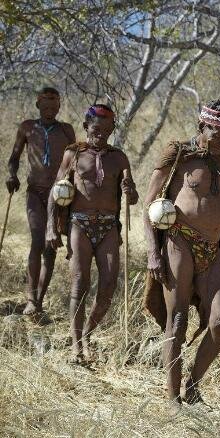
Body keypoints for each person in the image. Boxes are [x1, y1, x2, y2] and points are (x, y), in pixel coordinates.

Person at [142, 99, 220, 405]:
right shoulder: (178, 154)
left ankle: (193, 386)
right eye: (218, 134)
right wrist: (153, 253)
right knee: (177, 321)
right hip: (179, 243)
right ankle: (173, 399)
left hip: (211, 250)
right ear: (202, 126)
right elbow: (149, 205)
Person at [46, 104, 138, 363]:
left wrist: (130, 191)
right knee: (80, 284)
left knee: (109, 285)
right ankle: (76, 345)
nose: (101, 134)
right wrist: (52, 228)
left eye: (107, 130)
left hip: (108, 226)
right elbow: (57, 190)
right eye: (97, 129)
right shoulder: (73, 154)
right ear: (86, 127)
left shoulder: (119, 158)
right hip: (80, 224)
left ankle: (87, 334)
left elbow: (132, 198)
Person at [6, 87, 76, 317]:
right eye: (45, 106)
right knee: (38, 242)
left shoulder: (66, 130)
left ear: (59, 107)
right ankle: (30, 299)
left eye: (54, 107)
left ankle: (39, 301)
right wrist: (12, 175)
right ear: (38, 105)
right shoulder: (27, 127)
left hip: (59, 196)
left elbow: (76, 161)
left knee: (50, 248)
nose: (49, 111)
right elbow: (14, 158)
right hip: (35, 193)